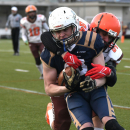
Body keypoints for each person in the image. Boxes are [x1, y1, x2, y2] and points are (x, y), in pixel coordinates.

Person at [41, 7, 125, 130]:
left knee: (97, 111)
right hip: (64, 82)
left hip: (92, 82)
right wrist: (63, 54)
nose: (105, 39)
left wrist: (108, 72)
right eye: (103, 33)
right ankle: (51, 114)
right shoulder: (78, 28)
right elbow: (46, 36)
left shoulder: (111, 51)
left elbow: (110, 81)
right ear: (92, 28)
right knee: (62, 121)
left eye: (110, 37)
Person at [20, 5, 49, 79]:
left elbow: (47, 28)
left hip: (41, 41)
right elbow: (23, 34)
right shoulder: (24, 21)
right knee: (37, 58)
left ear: (36, 12)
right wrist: (25, 40)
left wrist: (51, 35)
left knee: (44, 57)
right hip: (32, 42)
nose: (32, 14)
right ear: (27, 13)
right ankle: (42, 73)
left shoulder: (40, 18)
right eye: (30, 12)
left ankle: (47, 72)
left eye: (33, 12)